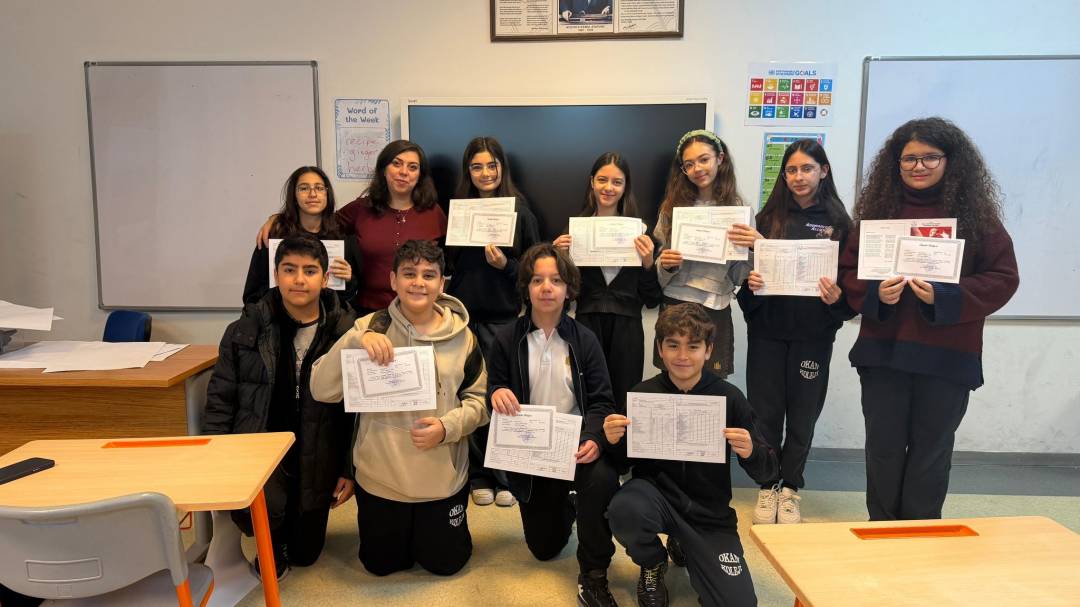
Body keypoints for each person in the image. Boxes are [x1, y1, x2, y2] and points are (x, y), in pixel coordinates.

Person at [837, 117, 1019, 521]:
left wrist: (946, 296)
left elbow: (1004, 278)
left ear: (950, 161)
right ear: (896, 164)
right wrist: (875, 294)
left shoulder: (976, 217)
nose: (918, 166)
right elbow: (847, 272)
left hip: (947, 357)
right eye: (909, 159)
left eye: (930, 157)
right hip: (883, 354)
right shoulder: (877, 215)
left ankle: (920, 535)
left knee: (931, 452)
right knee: (883, 449)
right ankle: (882, 531)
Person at [309, 239, 488, 576]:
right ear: (393, 280)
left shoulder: (464, 338)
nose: (418, 283)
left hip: (441, 479)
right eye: (409, 273)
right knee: (380, 565)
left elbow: (479, 402)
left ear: (442, 283)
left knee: (446, 565)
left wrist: (447, 427)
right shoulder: (368, 327)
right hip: (381, 478)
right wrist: (354, 341)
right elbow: (321, 390)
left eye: (428, 275)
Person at [603, 303, 778, 607]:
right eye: (673, 345)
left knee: (738, 604)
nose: (682, 356)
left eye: (693, 346)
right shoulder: (643, 394)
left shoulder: (730, 397)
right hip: (655, 498)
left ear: (708, 351)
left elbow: (768, 472)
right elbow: (620, 464)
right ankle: (652, 562)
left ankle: (684, 543)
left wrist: (751, 452)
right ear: (660, 349)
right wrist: (613, 441)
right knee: (624, 510)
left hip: (708, 514)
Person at [204, 233, 357, 581]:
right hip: (262, 446)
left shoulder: (346, 331)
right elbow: (220, 399)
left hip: (319, 451)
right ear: (276, 275)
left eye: (309, 271)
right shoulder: (244, 330)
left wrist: (348, 469)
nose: (299, 279)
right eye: (289, 269)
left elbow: (356, 414)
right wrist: (215, 458)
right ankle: (268, 535)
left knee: (305, 554)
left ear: (325, 278)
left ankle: (291, 530)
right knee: (267, 524)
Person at [486, 243, 620, 607]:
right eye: (537, 280)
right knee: (543, 549)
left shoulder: (585, 339)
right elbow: (493, 388)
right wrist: (497, 392)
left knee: (602, 478)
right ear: (526, 287)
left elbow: (603, 401)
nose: (547, 287)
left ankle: (594, 572)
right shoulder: (506, 338)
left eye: (556, 280)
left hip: (574, 443)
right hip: (531, 450)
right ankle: (567, 504)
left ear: (568, 289)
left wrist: (594, 437)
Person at [736, 139, 855, 525]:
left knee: (803, 416)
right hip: (767, 334)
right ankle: (768, 484)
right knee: (765, 414)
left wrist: (838, 299)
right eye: (791, 170)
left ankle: (790, 487)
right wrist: (751, 285)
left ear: (824, 171)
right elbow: (744, 289)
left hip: (813, 337)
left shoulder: (840, 225)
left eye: (807, 168)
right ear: (783, 176)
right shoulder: (765, 221)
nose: (799, 176)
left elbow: (849, 295)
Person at [445, 136, 541, 508]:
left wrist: (506, 265)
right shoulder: (458, 211)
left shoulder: (521, 212)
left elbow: (534, 271)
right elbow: (449, 264)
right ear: (467, 171)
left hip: (503, 320)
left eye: (491, 165)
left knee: (502, 396)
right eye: (477, 166)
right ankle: (478, 475)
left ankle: (505, 477)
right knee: (467, 396)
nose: (485, 173)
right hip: (461, 320)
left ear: (502, 167)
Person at [258, 140, 447, 315]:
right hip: (368, 312)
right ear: (383, 169)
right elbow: (318, 221)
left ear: (420, 175)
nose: (404, 172)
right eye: (396, 164)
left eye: (413, 167)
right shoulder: (361, 208)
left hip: (419, 310)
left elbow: (448, 264)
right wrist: (278, 218)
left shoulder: (434, 213)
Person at [553, 152, 662, 407]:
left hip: (627, 329)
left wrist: (648, 264)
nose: (608, 188)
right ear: (592, 182)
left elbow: (652, 299)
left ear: (625, 187)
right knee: (585, 396)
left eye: (617, 182)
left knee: (624, 400)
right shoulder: (573, 232)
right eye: (602, 180)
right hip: (587, 324)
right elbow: (565, 299)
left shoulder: (642, 234)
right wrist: (560, 262)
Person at [654, 129, 759, 378]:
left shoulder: (739, 209)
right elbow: (658, 271)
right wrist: (665, 264)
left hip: (715, 307)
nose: (697, 169)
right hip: (674, 302)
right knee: (671, 383)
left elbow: (739, 276)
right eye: (689, 164)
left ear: (720, 159)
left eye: (704, 159)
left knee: (712, 385)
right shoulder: (671, 208)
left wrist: (754, 248)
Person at [243, 166, 361, 308]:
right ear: (294, 196)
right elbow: (253, 295)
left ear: (327, 194)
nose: (312, 194)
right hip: (279, 319)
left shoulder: (343, 238)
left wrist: (348, 280)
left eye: (319, 188)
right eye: (304, 188)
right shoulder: (274, 236)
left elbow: (348, 299)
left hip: (328, 319)